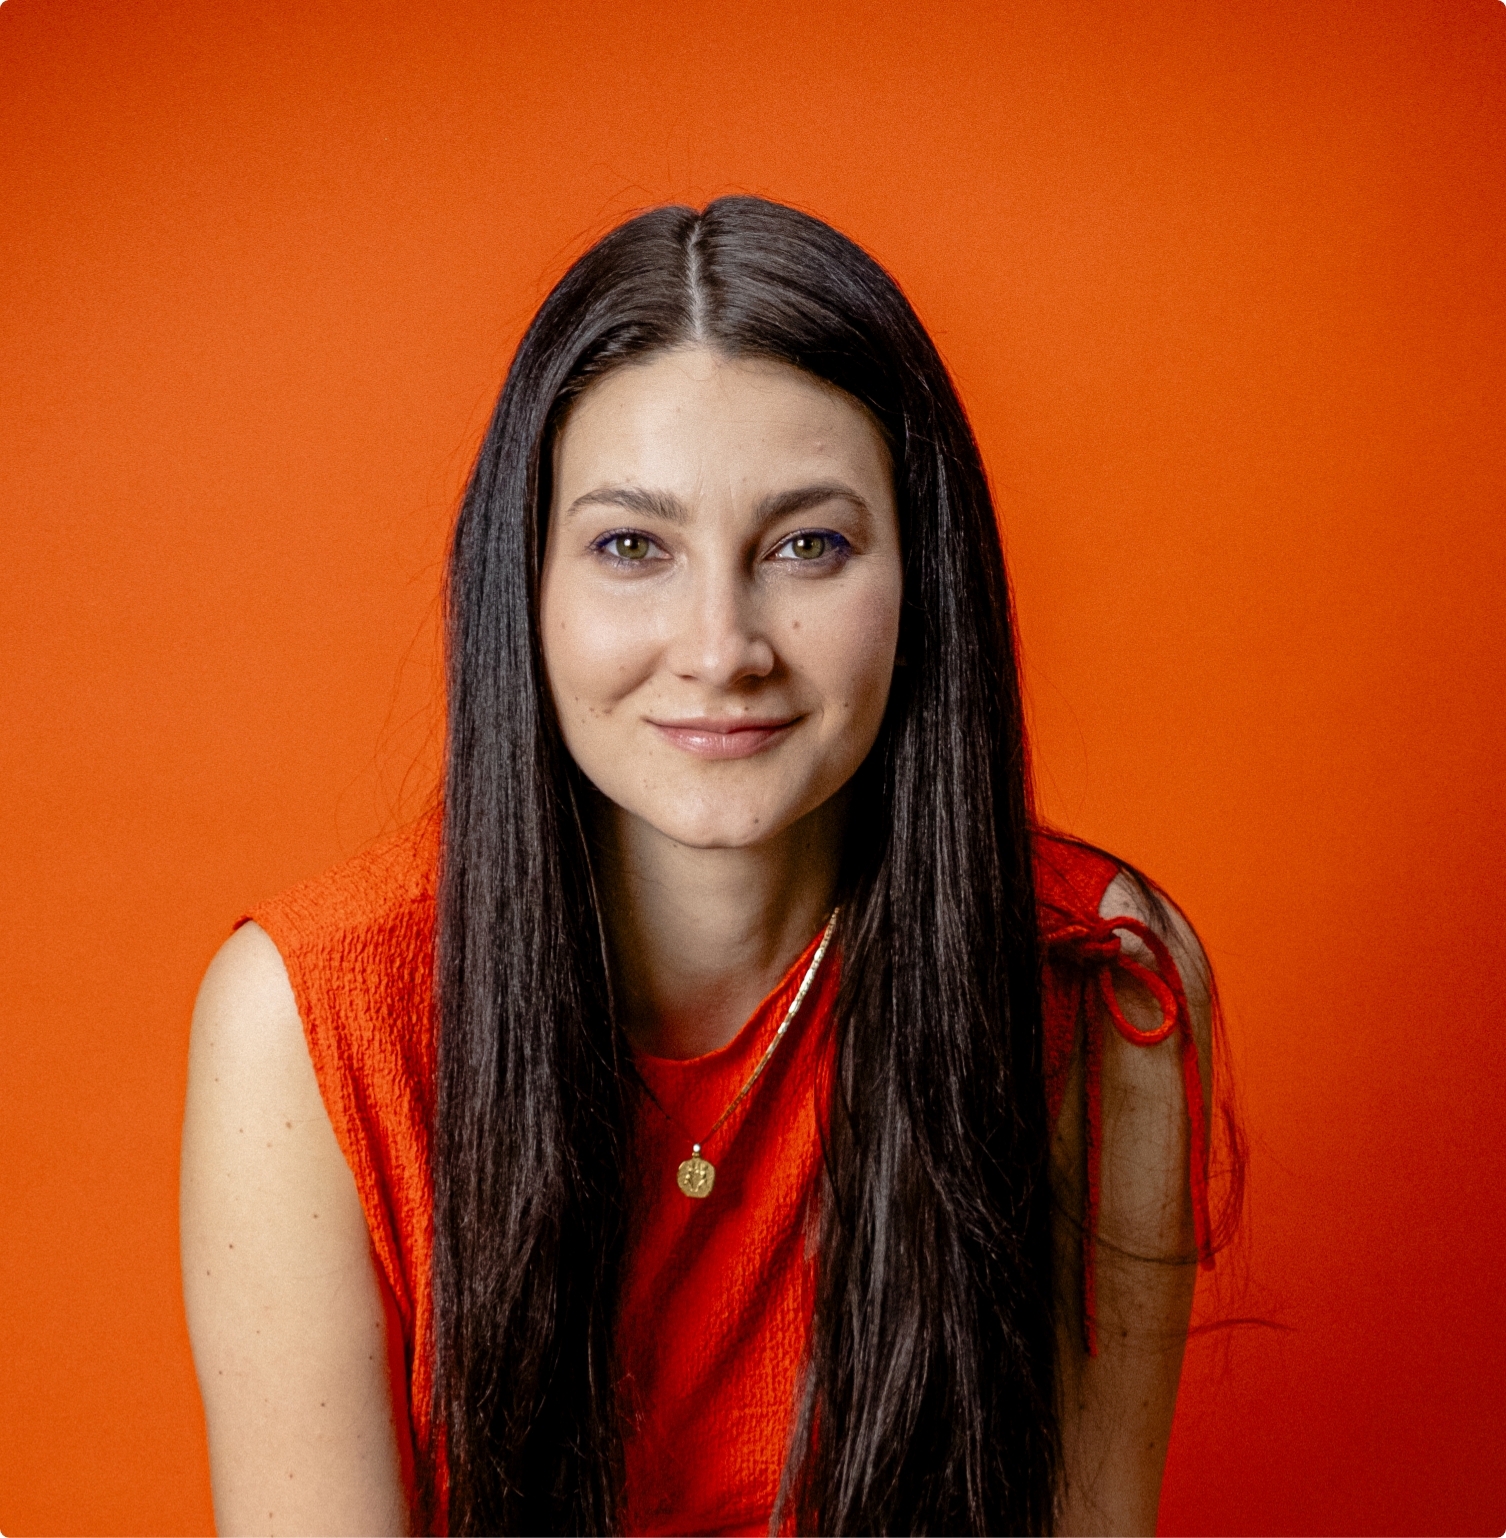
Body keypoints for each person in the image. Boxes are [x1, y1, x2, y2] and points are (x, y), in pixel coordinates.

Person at [180, 195, 1234, 1537]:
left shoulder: (1098, 983)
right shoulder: (311, 1023)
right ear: (525, 584)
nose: (723, 646)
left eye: (808, 544)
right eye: (632, 547)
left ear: (925, 576)